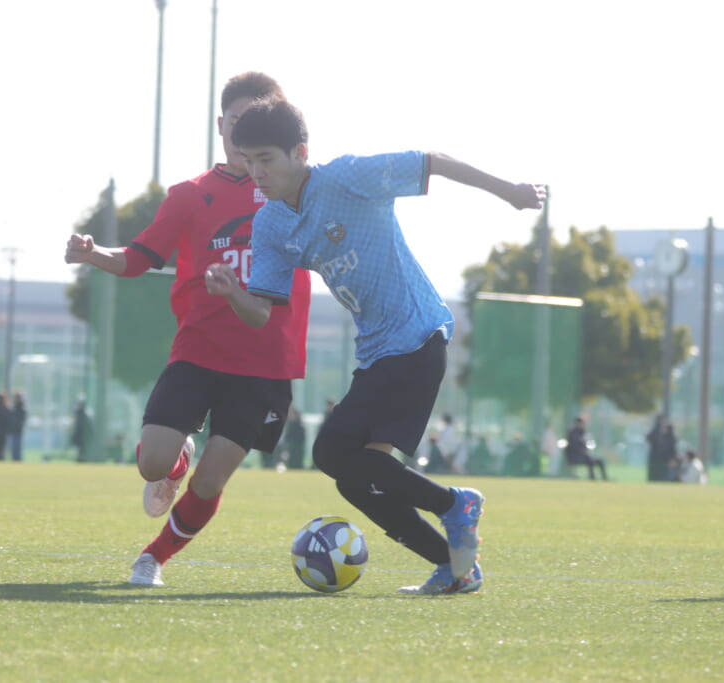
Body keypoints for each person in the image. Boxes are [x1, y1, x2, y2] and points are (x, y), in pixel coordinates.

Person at [205, 97, 544, 594]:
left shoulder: (346, 178)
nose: (256, 172)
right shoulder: (271, 223)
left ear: (300, 152)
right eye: (248, 160)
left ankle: (456, 504)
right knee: (356, 477)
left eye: (266, 159)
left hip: (416, 336)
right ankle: (455, 568)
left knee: (331, 451)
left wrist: (509, 191)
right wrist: (234, 291)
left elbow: (433, 161)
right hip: (376, 352)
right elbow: (260, 312)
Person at [64, 72, 310, 587]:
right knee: (151, 463)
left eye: (258, 123)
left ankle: (152, 558)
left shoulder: (300, 193)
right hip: (199, 349)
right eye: (238, 121)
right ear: (221, 125)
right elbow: (138, 257)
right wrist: (93, 254)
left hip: (265, 362)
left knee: (212, 480)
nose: (245, 134)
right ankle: (175, 464)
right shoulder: (189, 195)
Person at [564, 416, 608, 481]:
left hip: (584, 455)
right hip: (574, 456)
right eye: (582, 423)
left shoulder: (583, 433)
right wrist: (585, 454)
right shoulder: (572, 433)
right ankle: (592, 478)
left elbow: (587, 444)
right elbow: (575, 447)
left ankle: (605, 479)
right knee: (590, 460)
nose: (583, 425)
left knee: (600, 460)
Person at [646, 414, 677, 483]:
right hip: (656, 458)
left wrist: (672, 458)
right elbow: (649, 438)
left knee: (663, 476)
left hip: (664, 459)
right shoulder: (657, 431)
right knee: (655, 476)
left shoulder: (670, 436)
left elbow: (671, 448)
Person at [280, 405, 306, 470]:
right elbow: (287, 436)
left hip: (297, 447)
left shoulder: (299, 426)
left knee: (296, 463)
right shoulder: (290, 425)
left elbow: (301, 438)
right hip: (290, 448)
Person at [8, 391, 27, 462]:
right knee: (13, 450)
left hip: (18, 431)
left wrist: (16, 425)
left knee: (17, 449)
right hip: (12, 431)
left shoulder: (22, 408)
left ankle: (18, 462)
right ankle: (14, 461)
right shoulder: (13, 407)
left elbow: (21, 421)